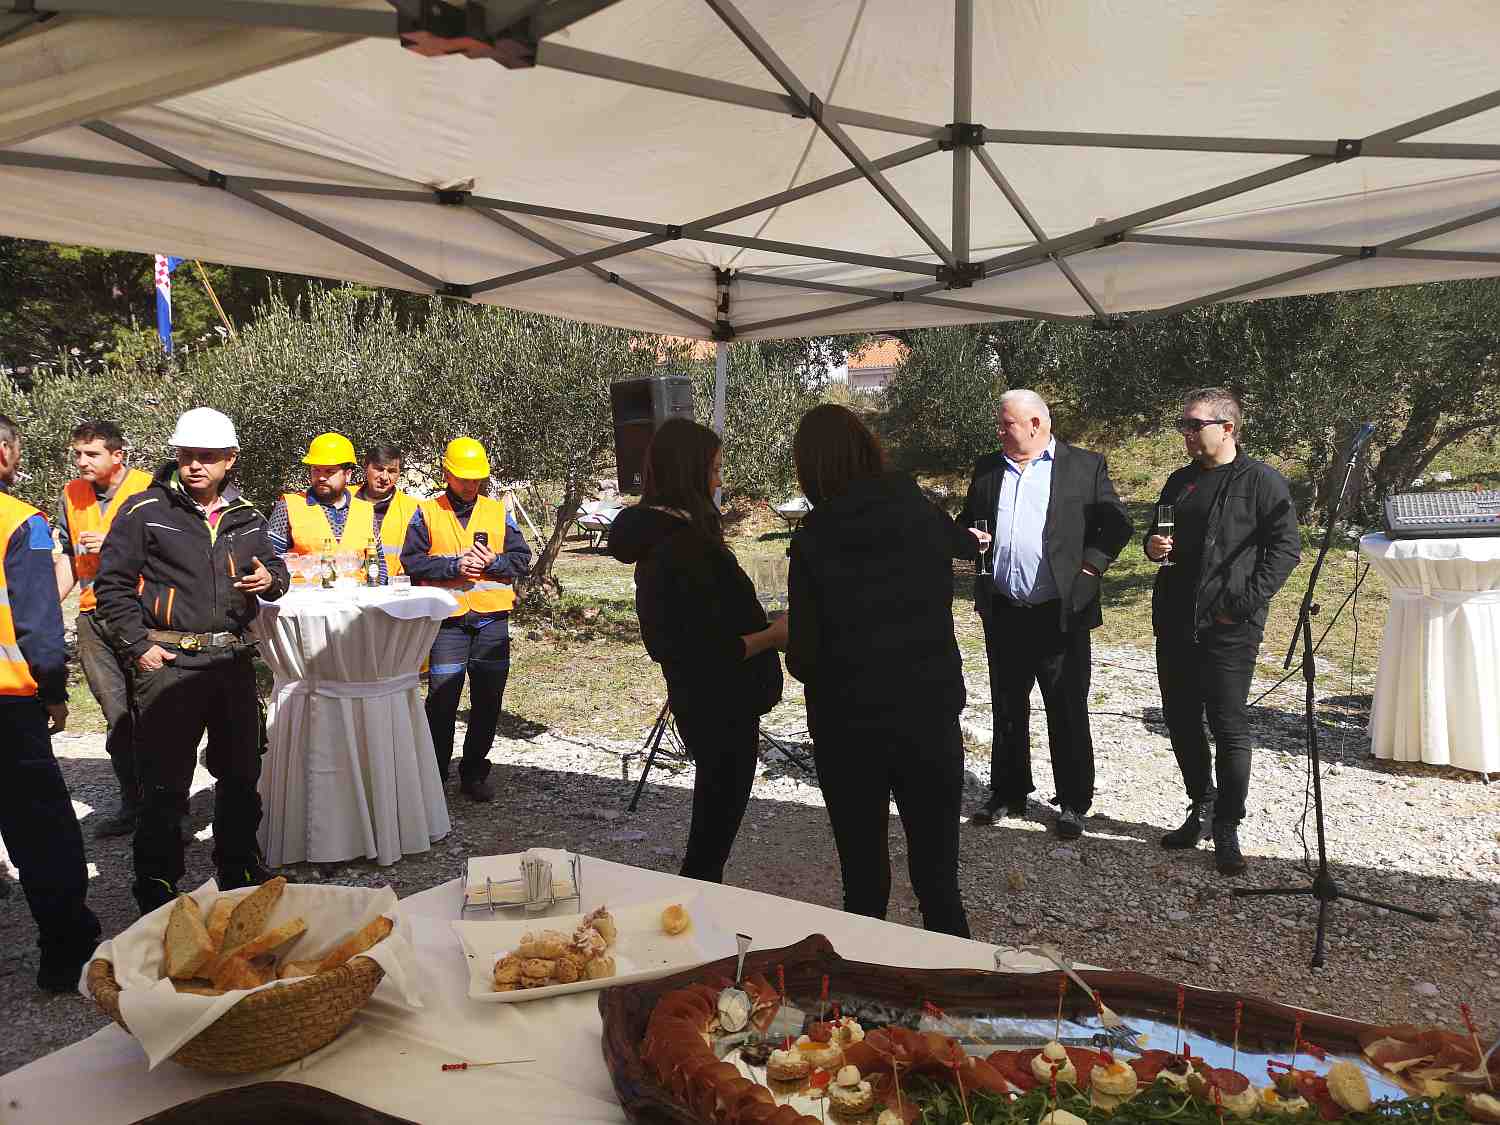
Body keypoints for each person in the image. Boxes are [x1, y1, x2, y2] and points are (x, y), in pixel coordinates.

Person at [94, 407, 289, 914]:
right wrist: (139, 646)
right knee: (165, 782)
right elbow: (111, 585)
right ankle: (157, 886)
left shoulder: (247, 515)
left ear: (230, 459)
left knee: (241, 772)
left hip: (232, 661)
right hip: (171, 664)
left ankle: (239, 870)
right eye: (186, 456)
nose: (195, 465)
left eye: (207, 456)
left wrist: (270, 579)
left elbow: (276, 570)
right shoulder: (145, 509)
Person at [785, 404, 971, 937]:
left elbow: (803, 656)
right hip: (928, 711)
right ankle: (957, 980)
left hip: (848, 727)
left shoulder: (814, 537)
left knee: (863, 882)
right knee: (939, 880)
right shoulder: (922, 514)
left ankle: (864, 986)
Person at [607, 419, 785, 884]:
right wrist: (772, 636)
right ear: (690, 472)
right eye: (714, 469)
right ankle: (695, 912)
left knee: (713, 828)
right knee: (710, 842)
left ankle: (698, 906)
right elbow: (701, 650)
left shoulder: (671, 538)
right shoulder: (680, 548)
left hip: (706, 701)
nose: (719, 481)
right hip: (719, 704)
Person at [961, 389, 1132, 840]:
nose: (999, 431)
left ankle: (1073, 801)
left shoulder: (1084, 466)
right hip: (1004, 609)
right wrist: (970, 537)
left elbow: (1118, 523)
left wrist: (1091, 568)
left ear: (1036, 424)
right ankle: (1008, 791)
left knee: (1067, 707)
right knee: (1007, 706)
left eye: (1006, 424)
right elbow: (969, 519)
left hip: (1060, 612)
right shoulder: (987, 468)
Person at [1144, 388, 1300, 875]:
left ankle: (1228, 824)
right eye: (1184, 426)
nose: (1187, 434)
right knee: (1181, 718)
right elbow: (1158, 533)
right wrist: (1152, 546)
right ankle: (1202, 805)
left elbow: (1285, 550)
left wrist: (1241, 605)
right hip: (1176, 620)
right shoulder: (1180, 481)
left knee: (1228, 725)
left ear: (1227, 427)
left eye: (1195, 425)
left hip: (1229, 626)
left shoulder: (1262, 482)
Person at [0, 413, 104, 991]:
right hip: (8, 700)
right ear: (5, 454)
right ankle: (66, 952)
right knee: (40, 829)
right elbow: (38, 626)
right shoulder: (23, 522)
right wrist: (55, 693)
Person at [400, 437, 531, 801]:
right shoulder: (427, 513)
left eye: (477, 479)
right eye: (464, 478)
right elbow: (412, 562)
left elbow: (522, 559)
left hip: (492, 621)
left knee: (488, 701)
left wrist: (495, 562)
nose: (471, 485)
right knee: (442, 702)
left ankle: (473, 773)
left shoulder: (498, 512)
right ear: (447, 474)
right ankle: (435, 777)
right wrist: (453, 567)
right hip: (449, 623)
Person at [53, 420, 154, 837]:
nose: (82, 462)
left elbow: (171, 550)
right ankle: (133, 805)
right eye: (77, 453)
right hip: (93, 618)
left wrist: (113, 539)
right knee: (117, 715)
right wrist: (45, 607)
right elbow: (67, 557)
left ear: (118, 455)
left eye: (91, 454)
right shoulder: (71, 494)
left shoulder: (148, 489)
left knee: (155, 711)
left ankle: (169, 810)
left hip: (142, 614)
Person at [267, 431, 385, 583]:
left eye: (330, 471)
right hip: (304, 596)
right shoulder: (288, 506)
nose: (321, 477)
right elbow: (269, 561)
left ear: (348, 474)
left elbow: (379, 564)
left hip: (355, 595)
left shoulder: (365, 511)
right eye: (316, 470)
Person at [352, 442, 420, 581]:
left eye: (391, 471)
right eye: (378, 469)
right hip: (348, 586)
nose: (384, 477)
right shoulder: (345, 499)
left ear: (399, 473)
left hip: (392, 588)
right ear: (366, 467)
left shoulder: (413, 508)